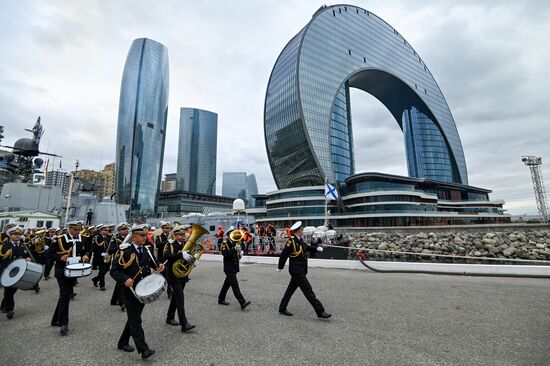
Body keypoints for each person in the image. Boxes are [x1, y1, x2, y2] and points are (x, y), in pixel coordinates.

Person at [110, 224, 164, 359]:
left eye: (145, 235)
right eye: (142, 235)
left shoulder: (147, 250)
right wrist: (124, 279)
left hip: (143, 289)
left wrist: (160, 266)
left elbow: (153, 263)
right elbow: (114, 271)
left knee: (134, 318)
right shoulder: (124, 250)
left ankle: (122, 342)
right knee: (136, 320)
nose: (145, 237)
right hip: (129, 290)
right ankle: (143, 349)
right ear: (134, 237)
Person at [277, 221, 331, 319]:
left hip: (300, 270)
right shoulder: (291, 241)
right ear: (298, 230)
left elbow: (307, 248)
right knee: (308, 291)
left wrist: (317, 248)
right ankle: (320, 311)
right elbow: (284, 255)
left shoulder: (299, 240)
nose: (302, 230)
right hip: (297, 271)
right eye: (301, 229)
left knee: (290, 290)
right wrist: (280, 267)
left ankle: (282, 308)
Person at [51, 220, 91, 335]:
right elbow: (48, 254)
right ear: (69, 228)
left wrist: (86, 255)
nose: (78, 232)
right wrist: (59, 258)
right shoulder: (59, 239)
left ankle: (55, 319)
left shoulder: (82, 238)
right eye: (75, 229)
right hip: (62, 271)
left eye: (79, 229)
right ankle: (64, 324)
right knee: (65, 295)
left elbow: (87, 250)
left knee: (65, 295)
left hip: (75, 271)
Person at [163, 225, 196, 332]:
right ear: (175, 235)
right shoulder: (170, 244)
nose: (183, 236)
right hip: (173, 275)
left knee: (176, 297)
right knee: (180, 298)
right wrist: (181, 255)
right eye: (180, 235)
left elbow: (188, 258)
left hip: (182, 275)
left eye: (183, 234)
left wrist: (193, 260)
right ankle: (184, 323)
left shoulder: (186, 244)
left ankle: (170, 317)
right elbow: (166, 256)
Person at [0, 227, 32, 319]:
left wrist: (28, 259)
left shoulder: (23, 246)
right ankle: (10, 310)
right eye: (15, 234)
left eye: (19, 234)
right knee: (9, 291)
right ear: (10, 235)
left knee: (11, 291)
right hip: (8, 272)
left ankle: (3, 306)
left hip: (19, 272)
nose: (18, 236)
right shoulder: (5, 246)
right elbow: (2, 261)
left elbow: (28, 256)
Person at [217, 226, 251, 310]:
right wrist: (233, 250)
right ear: (228, 235)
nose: (234, 234)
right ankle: (242, 302)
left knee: (226, 284)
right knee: (235, 285)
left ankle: (220, 299)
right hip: (229, 268)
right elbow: (225, 254)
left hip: (234, 267)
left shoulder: (236, 242)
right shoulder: (225, 243)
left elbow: (240, 248)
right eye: (232, 233)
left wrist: (241, 252)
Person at [109, 222, 129, 311]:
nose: (125, 231)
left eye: (126, 229)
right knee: (122, 282)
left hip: (128, 262)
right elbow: (110, 251)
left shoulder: (130, 238)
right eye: (122, 229)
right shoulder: (115, 239)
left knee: (120, 282)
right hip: (118, 262)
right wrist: (120, 246)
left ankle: (114, 300)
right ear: (118, 230)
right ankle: (122, 303)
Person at [91, 225, 111, 291]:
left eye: (107, 230)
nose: (107, 232)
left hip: (108, 256)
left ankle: (95, 279)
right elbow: (94, 248)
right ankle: (102, 285)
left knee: (106, 269)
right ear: (101, 231)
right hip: (99, 257)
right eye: (105, 230)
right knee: (102, 271)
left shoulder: (110, 237)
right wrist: (101, 254)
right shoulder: (96, 238)